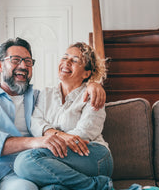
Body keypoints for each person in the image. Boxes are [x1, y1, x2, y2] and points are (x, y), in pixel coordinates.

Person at [0, 37, 106, 190]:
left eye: (28, 61)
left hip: (15, 172)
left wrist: (93, 85)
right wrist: (35, 142)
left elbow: (72, 89)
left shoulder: (38, 97)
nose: (23, 66)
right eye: (15, 60)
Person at [13, 42, 114, 190]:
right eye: (65, 57)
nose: (66, 62)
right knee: (52, 189)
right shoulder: (46, 93)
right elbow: (35, 122)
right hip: (61, 159)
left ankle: (102, 186)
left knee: (24, 161)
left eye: (74, 60)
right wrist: (58, 135)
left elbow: (84, 134)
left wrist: (53, 139)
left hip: (93, 155)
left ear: (87, 73)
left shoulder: (93, 94)